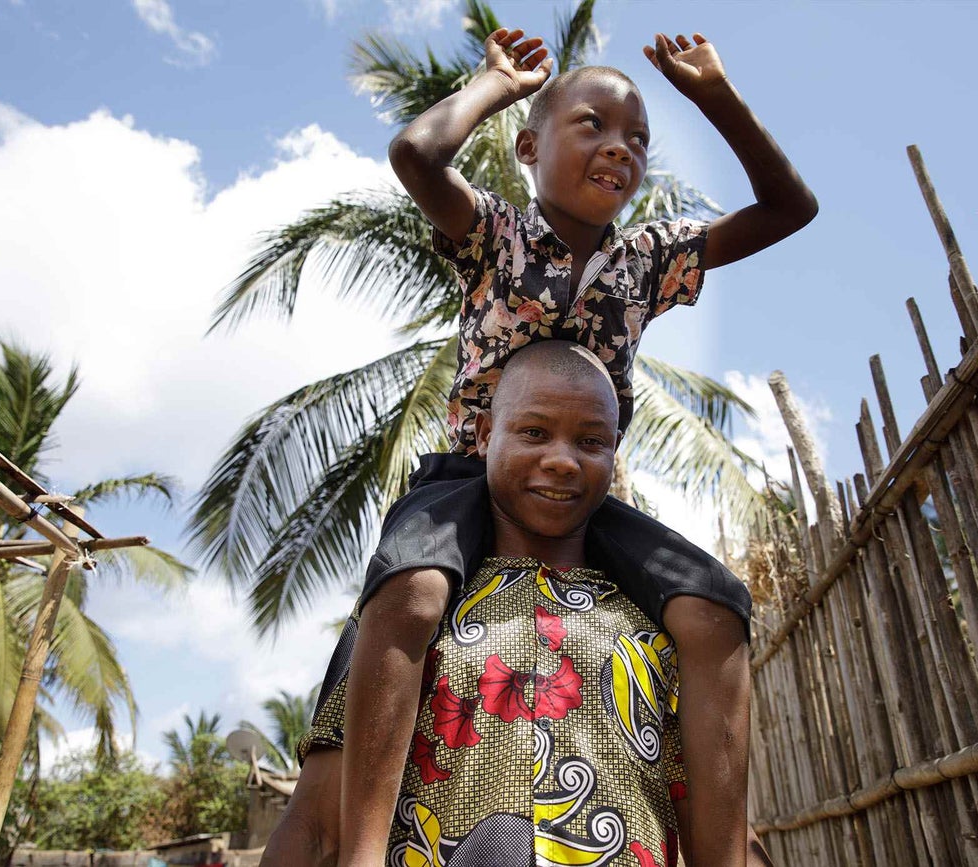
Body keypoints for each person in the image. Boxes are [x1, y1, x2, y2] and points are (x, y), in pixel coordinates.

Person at [273, 25, 814, 867]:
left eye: (637, 137)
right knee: (412, 592)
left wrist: (714, 95)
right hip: (467, 478)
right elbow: (416, 154)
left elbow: (791, 208)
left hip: (587, 489)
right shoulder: (497, 235)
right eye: (592, 124)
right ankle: (365, 849)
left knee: (714, 605)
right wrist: (494, 84)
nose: (619, 147)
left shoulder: (650, 259)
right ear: (528, 147)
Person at [266, 342, 763, 866]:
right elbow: (318, 820)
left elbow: (726, 834)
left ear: (613, 453)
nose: (561, 460)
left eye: (591, 442)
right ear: (484, 436)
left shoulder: (657, 635)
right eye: (534, 432)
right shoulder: (406, 615)